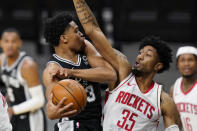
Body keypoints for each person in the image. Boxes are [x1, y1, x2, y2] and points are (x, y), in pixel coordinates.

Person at [72, 0, 182, 130]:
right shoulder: (123, 74)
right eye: (140, 52)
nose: (140, 56)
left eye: (147, 55)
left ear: (157, 66)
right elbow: (93, 30)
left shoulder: (163, 100)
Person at [42, 12, 117, 131]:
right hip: (72, 125)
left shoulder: (85, 47)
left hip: (95, 122)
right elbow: (51, 112)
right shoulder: (52, 70)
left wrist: (72, 72)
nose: (81, 34)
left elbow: (111, 74)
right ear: (64, 38)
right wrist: (53, 111)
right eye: (76, 31)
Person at [0, 28, 46, 131]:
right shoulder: (2, 59)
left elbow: (39, 100)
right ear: (1, 43)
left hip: (32, 117)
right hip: (15, 114)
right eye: (6, 41)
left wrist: (12, 110)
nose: (10, 45)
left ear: (20, 43)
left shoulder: (27, 65)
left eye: (13, 41)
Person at [170, 46, 197, 131]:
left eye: (190, 60)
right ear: (177, 64)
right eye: (182, 60)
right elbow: (175, 121)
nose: (186, 64)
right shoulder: (174, 88)